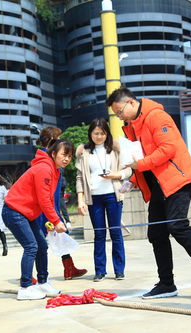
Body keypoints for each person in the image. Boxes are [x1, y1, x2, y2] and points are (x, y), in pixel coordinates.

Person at [106, 88, 191, 298]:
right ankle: (166, 283)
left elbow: (168, 149)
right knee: (156, 234)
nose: (119, 116)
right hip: (159, 185)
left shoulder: (156, 116)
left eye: (119, 111)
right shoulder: (134, 126)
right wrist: (132, 180)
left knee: (177, 225)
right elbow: (145, 161)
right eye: (116, 114)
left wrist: (138, 165)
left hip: (177, 180)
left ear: (131, 103)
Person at [2, 139, 71, 300]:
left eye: (70, 156)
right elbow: (43, 200)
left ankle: (42, 282)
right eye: (64, 154)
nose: (67, 159)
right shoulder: (44, 169)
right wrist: (55, 221)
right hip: (14, 211)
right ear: (53, 154)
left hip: (26, 214)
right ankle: (25, 287)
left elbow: (49, 199)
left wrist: (53, 219)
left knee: (41, 245)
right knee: (31, 246)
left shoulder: (55, 171)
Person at [76, 118, 132, 282]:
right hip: (94, 198)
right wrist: (80, 199)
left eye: (102, 133)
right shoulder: (84, 152)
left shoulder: (114, 150)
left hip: (113, 195)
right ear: (90, 134)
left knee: (116, 233)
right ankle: (100, 271)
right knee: (99, 234)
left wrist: (117, 175)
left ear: (106, 133)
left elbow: (128, 168)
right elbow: (79, 177)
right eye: (95, 133)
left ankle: (119, 270)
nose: (99, 136)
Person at [34, 126, 87, 280]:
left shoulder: (47, 158)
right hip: (46, 208)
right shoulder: (47, 161)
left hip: (50, 206)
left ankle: (69, 268)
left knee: (55, 237)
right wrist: (55, 215)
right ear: (53, 141)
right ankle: (31, 274)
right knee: (37, 243)